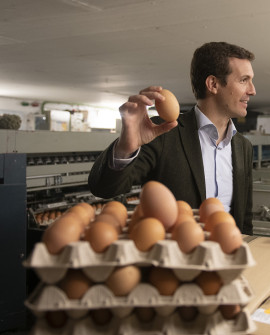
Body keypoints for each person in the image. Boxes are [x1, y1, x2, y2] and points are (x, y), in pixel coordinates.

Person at [88, 42, 256, 235]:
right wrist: (125, 147)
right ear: (213, 84)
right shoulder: (162, 131)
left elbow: (245, 217)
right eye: (244, 80)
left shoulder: (244, 146)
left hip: (229, 257)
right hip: (174, 257)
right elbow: (103, 188)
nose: (252, 90)